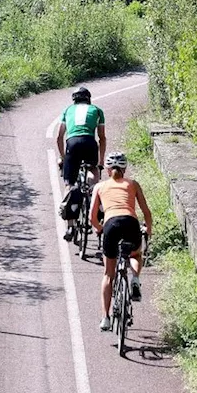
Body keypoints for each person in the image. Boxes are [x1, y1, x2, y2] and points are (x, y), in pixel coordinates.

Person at [89, 151, 153, 331]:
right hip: (131, 223)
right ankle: (134, 278)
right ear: (124, 169)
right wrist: (148, 229)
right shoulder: (132, 184)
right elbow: (146, 212)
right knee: (135, 253)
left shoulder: (100, 187)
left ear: (108, 170)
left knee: (109, 274)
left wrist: (100, 229)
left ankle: (105, 318)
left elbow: (92, 217)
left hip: (111, 225)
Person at [55, 86, 106, 241]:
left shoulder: (67, 110)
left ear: (74, 99)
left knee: (69, 184)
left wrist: (63, 158)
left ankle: (70, 225)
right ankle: (93, 195)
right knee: (93, 173)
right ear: (88, 99)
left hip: (72, 143)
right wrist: (101, 162)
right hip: (89, 143)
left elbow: (59, 137)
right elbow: (102, 138)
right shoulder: (97, 110)